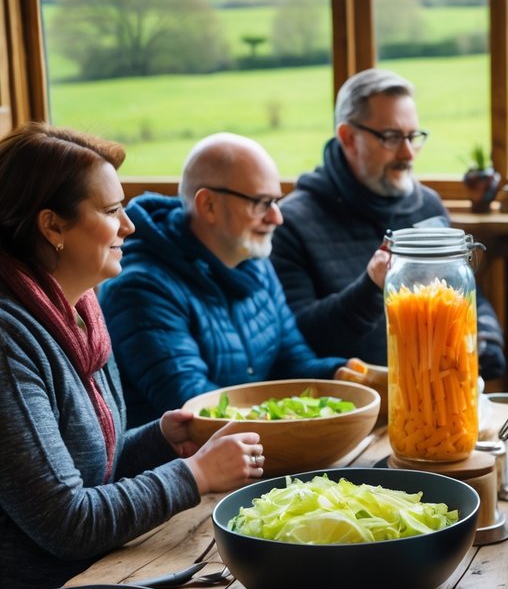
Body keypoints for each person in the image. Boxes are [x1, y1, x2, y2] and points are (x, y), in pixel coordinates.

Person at [0, 123, 265, 589]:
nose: (129, 225)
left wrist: (159, 440)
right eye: (110, 211)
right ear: (52, 225)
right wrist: (196, 475)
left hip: (102, 574)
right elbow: (66, 521)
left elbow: (91, 468)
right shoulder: (9, 338)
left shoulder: (80, 311)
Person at [98, 133, 374, 427]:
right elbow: (198, 412)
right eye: (261, 203)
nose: (277, 218)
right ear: (208, 206)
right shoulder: (142, 289)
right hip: (180, 465)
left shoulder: (254, 263)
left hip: (251, 447)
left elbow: (292, 362)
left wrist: (342, 373)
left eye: (276, 201)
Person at [271, 69, 506, 379]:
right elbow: (301, 340)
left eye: (413, 136)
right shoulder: (291, 223)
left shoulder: (428, 205)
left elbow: (463, 292)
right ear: (348, 138)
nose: (407, 153)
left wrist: (485, 338)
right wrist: (370, 287)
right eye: (392, 137)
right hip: (349, 406)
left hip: (438, 394)